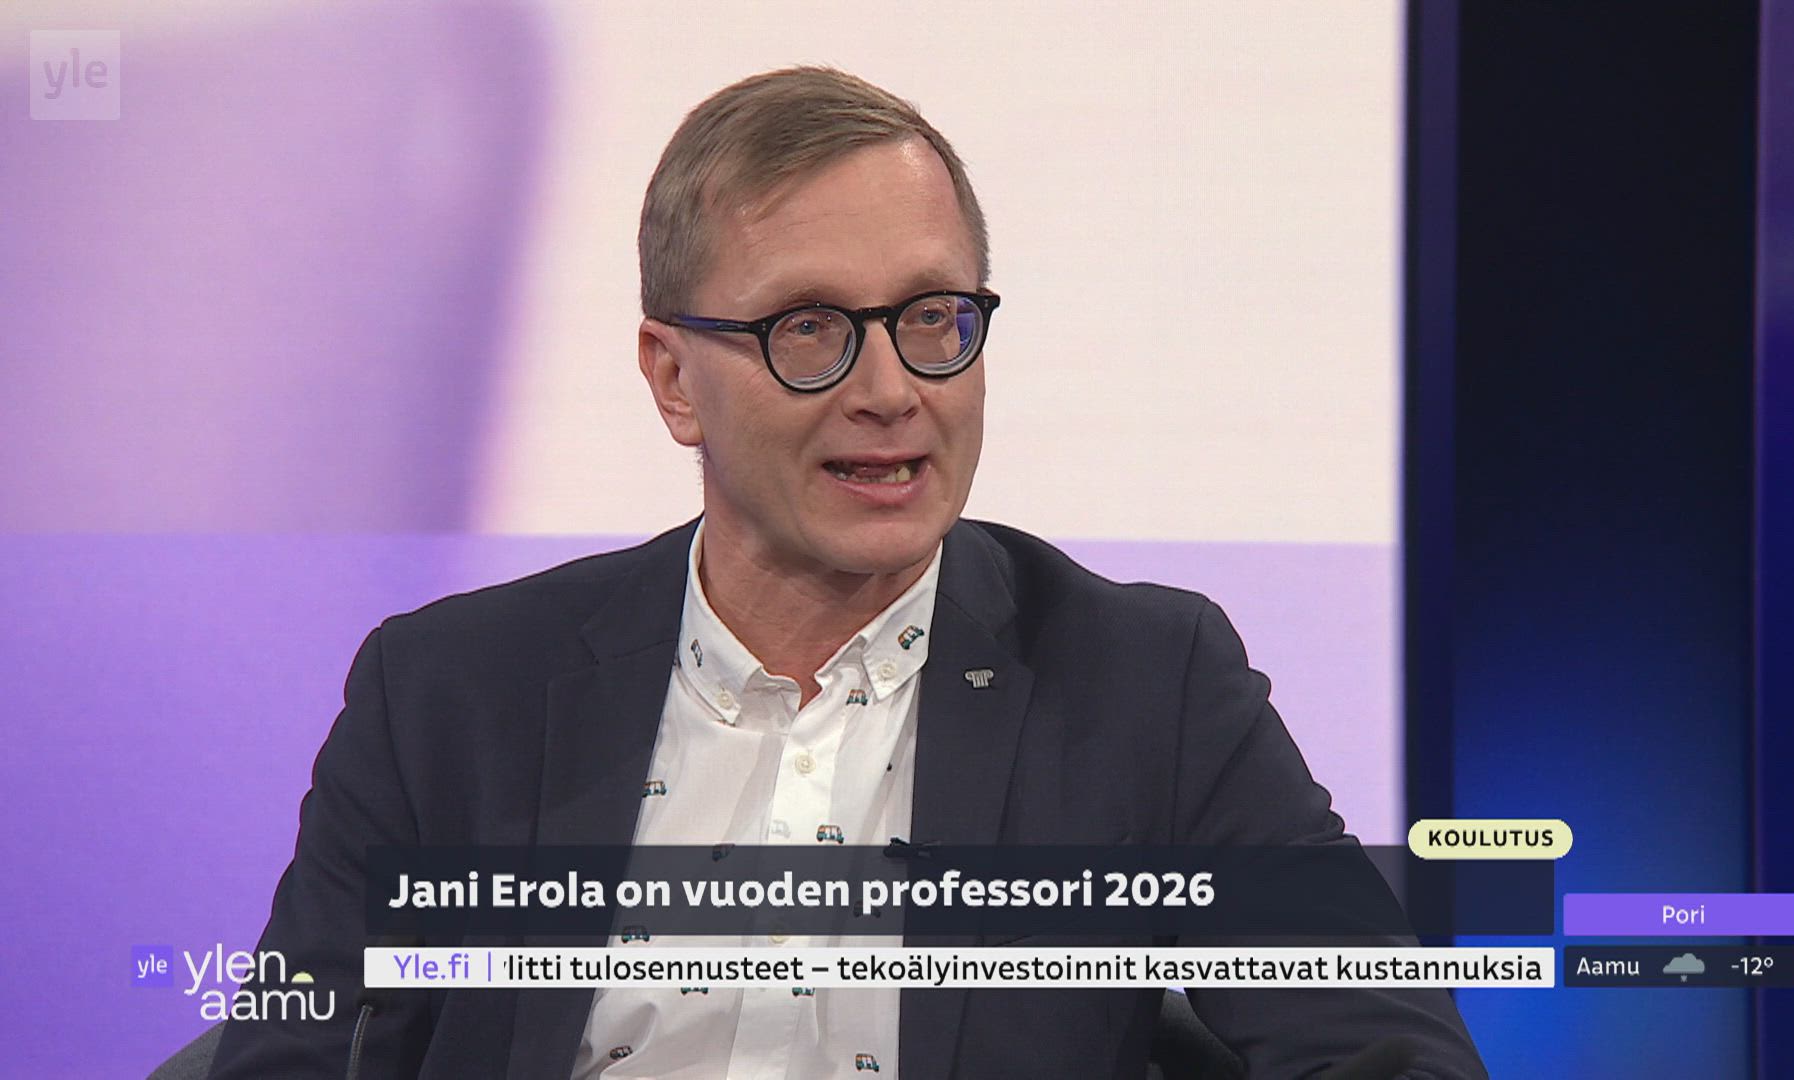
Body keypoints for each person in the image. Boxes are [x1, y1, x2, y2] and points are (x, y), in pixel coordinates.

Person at [209, 67, 1485, 1079]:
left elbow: (1389, 1053)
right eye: (809, 328)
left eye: (932, 318)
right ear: (672, 378)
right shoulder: (450, 692)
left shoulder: (1147, 688)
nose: (890, 390)